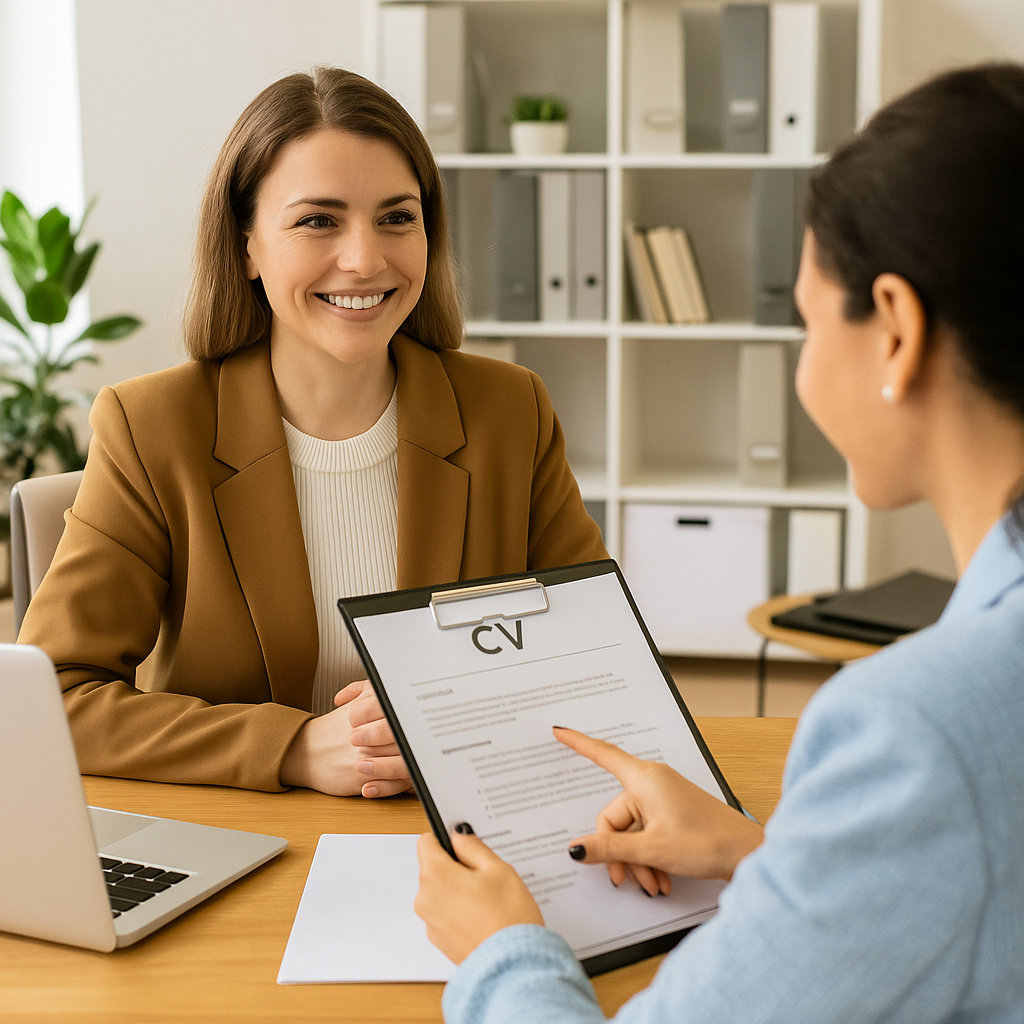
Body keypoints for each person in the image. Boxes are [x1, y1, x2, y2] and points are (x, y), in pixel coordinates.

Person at [414, 63, 1024, 1023]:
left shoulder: (919, 729)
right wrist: (768, 856)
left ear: (897, 333)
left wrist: (502, 951)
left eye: (807, 323)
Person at [18, 67, 606, 797]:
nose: (365, 259)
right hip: (246, 836)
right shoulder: (152, 427)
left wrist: (459, 718)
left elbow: (600, 658)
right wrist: (293, 747)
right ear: (246, 246)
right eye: (318, 221)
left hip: (463, 819)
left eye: (397, 217)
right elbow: (51, 698)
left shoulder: (510, 409)